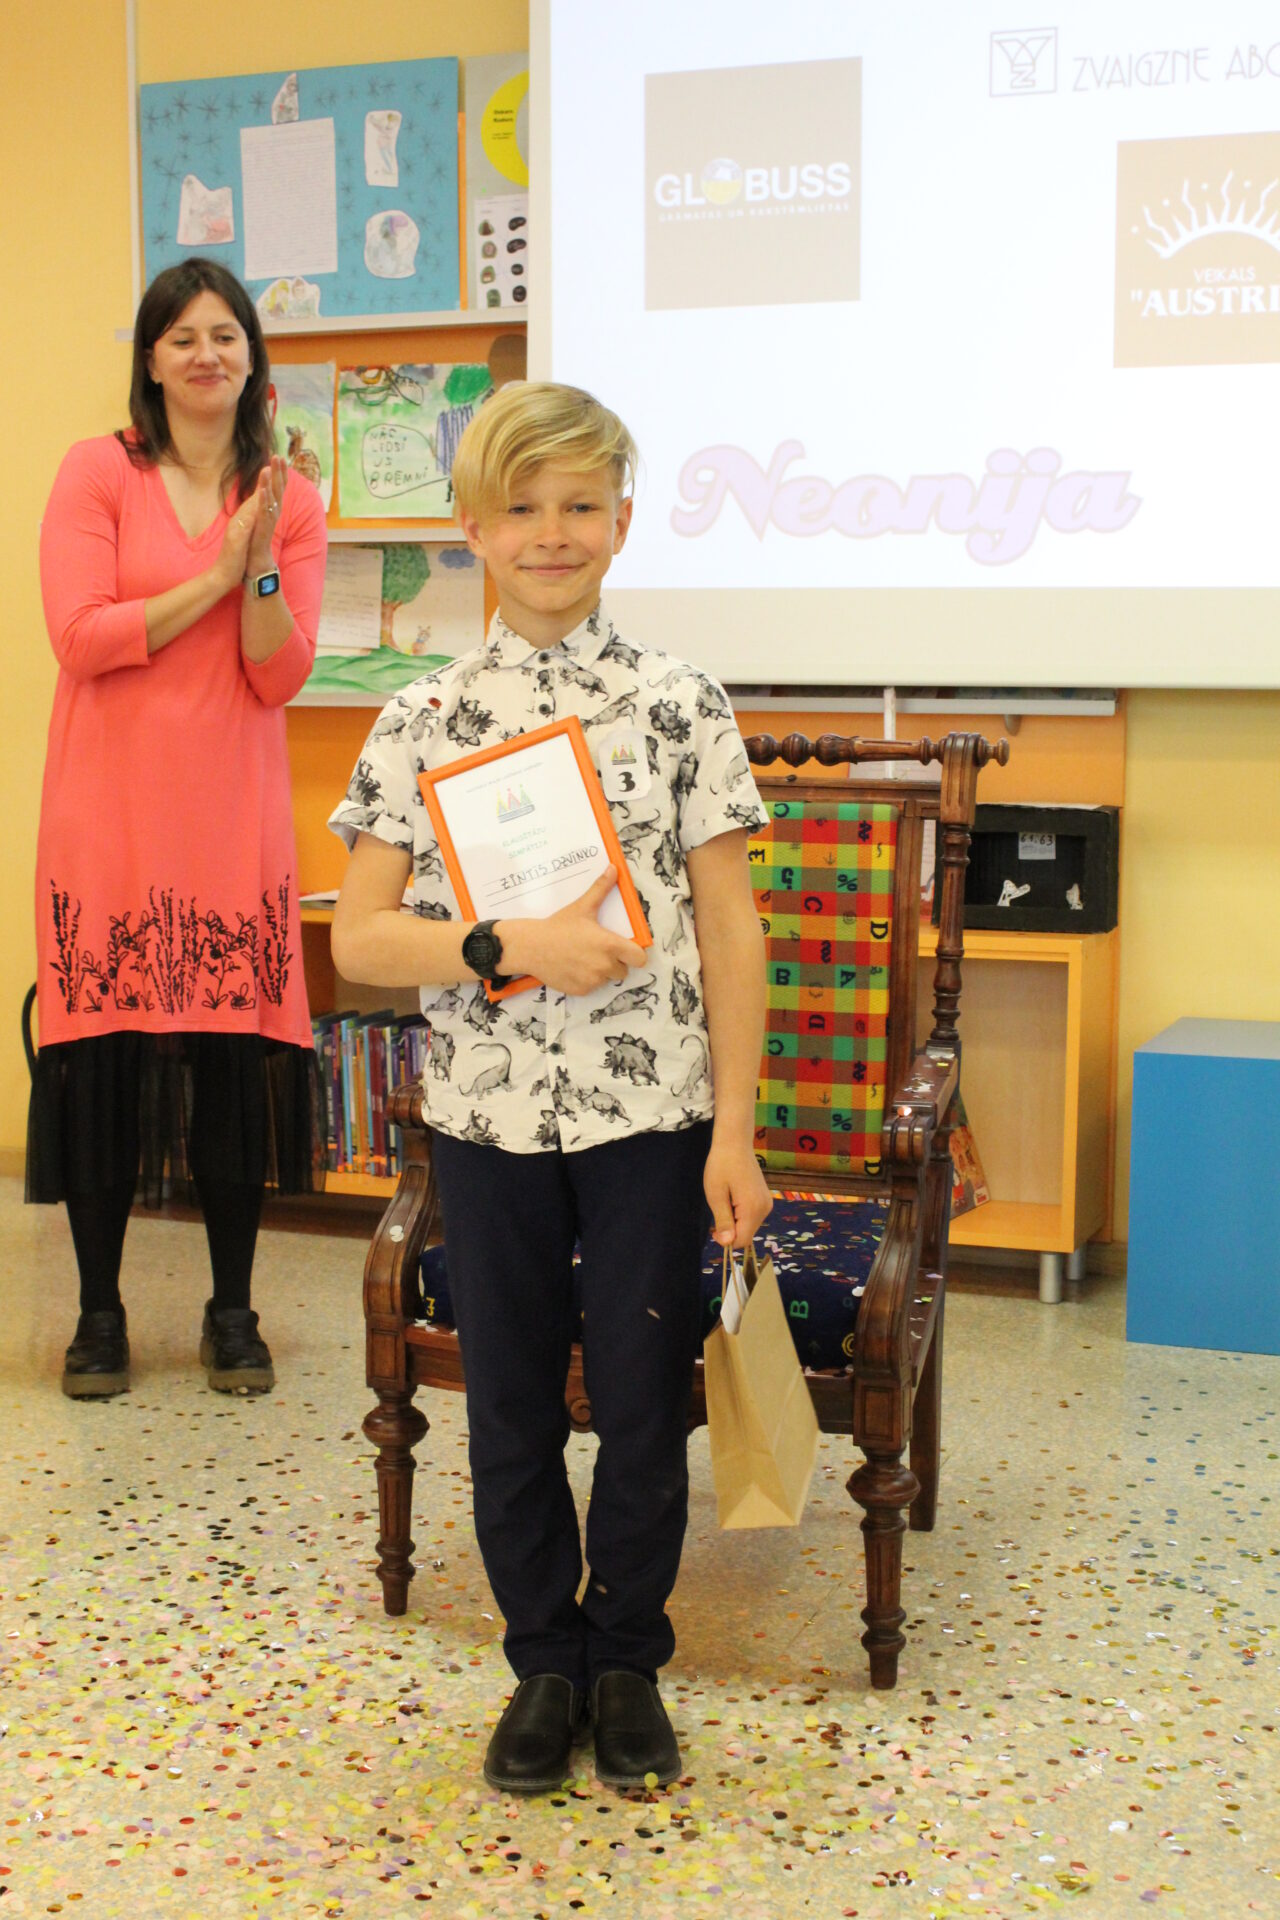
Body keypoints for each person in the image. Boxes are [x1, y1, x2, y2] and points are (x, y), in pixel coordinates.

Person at [329, 382, 772, 1793]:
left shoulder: (680, 700)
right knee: (510, 1402)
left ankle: (627, 1658)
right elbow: (357, 941)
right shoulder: (421, 718)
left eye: (581, 505)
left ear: (623, 522)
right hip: (489, 1119)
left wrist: (737, 1133)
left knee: (642, 1398)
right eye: (520, 508)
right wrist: (502, 944)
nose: (552, 532)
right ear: (472, 529)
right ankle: (542, 1663)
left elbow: (732, 928)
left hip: (655, 1120)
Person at [29, 258, 328, 1400]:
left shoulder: (291, 499)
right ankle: (98, 1316)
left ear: (253, 357)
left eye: (225, 335)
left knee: (229, 1066)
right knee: (100, 1067)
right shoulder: (97, 470)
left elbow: (278, 675)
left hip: (230, 815)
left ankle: (232, 1312)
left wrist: (261, 566)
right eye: (182, 337)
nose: (206, 354)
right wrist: (222, 568)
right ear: (151, 360)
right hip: (106, 815)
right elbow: (82, 637)